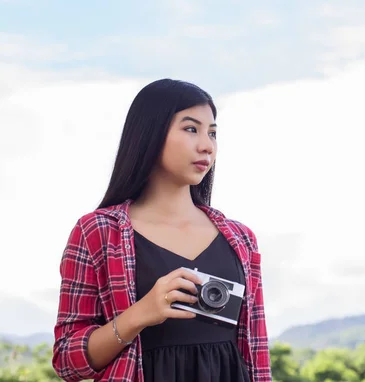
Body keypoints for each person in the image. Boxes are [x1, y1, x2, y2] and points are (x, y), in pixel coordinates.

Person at [51, 79, 272, 382]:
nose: (207, 145)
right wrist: (140, 314)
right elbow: (67, 361)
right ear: (150, 135)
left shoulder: (241, 238)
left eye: (213, 133)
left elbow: (256, 354)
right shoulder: (98, 232)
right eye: (191, 128)